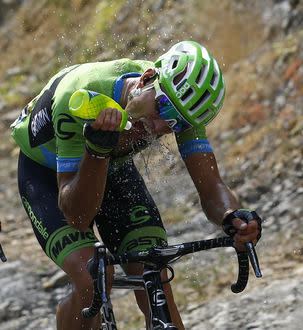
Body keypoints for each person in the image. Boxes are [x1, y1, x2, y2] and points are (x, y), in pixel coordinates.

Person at [11, 40, 262, 329]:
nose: (159, 127)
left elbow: (211, 187)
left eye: (176, 124)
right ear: (147, 79)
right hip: (47, 174)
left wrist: (232, 218)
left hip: (109, 163)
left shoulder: (182, 106)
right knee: (93, 279)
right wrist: (96, 151)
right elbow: (76, 217)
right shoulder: (80, 95)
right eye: (162, 108)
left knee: (153, 272)